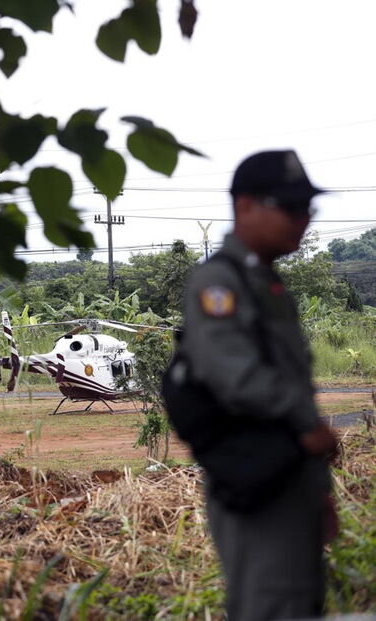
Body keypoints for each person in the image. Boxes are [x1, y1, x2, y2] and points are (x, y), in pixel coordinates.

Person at [179, 150, 339, 620]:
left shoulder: (263, 282)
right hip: (258, 479)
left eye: (307, 208)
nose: (302, 219)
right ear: (245, 206)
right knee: (271, 606)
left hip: (291, 480)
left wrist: (317, 491)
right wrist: (308, 423)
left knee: (299, 601)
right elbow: (236, 375)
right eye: (289, 206)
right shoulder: (220, 284)